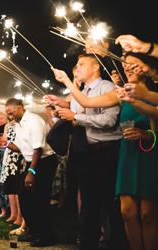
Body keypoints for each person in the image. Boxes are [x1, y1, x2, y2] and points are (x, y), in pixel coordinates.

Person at [51, 51, 158, 250]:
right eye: (125, 65)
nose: (127, 68)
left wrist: (148, 134)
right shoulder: (120, 93)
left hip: (146, 153)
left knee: (147, 214)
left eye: (132, 64)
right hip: (128, 152)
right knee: (126, 211)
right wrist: (67, 81)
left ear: (146, 68)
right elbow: (85, 102)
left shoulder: (148, 93)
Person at [47, 53, 129, 250]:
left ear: (95, 68)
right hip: (85, 154)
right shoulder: (80, 92)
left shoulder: (107, 87)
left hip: (107, 153)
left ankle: (117, 244)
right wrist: (62, 107)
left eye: (81, 64)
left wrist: (75, 117)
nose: (77, 68)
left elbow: (109, 122)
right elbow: (76, 113)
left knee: (113, 204)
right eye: (76, 65)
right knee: (87, 207)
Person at [0, 98, 57, 247]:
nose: (10, 117)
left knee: (39, 199)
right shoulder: (19, 124)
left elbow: (38, 149)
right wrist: (6, 144)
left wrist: (31, 172)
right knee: (23, 197)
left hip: (44, 162)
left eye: (11, 113)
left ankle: (46, 236)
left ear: (19, 107)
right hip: (33, 161)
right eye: (8, 114)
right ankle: (35, 231)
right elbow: (20, 147)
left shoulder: (34, 121)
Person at [0, 113, 27, 235]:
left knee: (17, 188)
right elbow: (5, 140)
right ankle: (13, 214)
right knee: (10, 186)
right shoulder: (7, 125)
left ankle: (20, 216)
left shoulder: (21, 124)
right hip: (9, 155)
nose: (11, 116)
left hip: (18, 156)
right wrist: (1, 141)